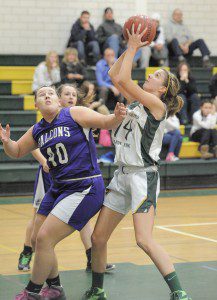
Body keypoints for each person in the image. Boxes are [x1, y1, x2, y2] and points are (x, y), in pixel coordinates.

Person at [83, 24, 192, 300]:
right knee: (97, 239)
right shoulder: (135, 102)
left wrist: (133, 47)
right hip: (121, 175)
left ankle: (178, 291)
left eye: (155, 75)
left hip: (143, 176)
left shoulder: (158, 106)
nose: (150, 75)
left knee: (143, 239)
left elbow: (127, 82)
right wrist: (128, 48)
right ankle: (97, 289)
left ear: (163, 87)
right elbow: (114, 76)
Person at [0, 85, 126, 300]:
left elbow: (106, 123)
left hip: (84, 186)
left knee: (45, 237)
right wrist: (6, 142)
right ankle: (55, 287)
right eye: (42, 94)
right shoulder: (37, 129)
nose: (47, 95)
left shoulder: (73, 113)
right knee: (37, 238)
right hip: (58, 187)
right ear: (36, 104)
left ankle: (32, 292)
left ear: (58, 101)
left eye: (50, 93)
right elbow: (18, 151)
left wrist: (116, 116)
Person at [18, 84, 115, 274]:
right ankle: (27, 250)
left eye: (73, 95)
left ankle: (90, 257)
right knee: (38, 216)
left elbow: (102, 124)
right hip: (50, 174)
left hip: (77, 179)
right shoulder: (42, 126)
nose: (71, 97)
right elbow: (30, 145)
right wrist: (44, 160)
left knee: (82, 219)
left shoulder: (76, 117)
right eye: (66, 94)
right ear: (59, 99)